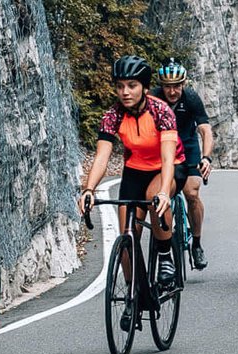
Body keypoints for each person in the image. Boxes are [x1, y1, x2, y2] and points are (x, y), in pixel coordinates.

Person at [75, 55, 184, 330]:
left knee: (153, 196)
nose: (125, 92)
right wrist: (89, 189)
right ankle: (133, 294)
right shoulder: (113, 116)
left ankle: (165, 255)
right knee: (126, 234)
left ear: (144, 87)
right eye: (120, 86)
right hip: (135, 170)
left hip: (167, 167)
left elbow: (169, 158)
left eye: (132, 85)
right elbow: (101, 157)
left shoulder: (161, 112)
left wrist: (164, 193)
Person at [151, 59, 215, 270]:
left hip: (187, 148)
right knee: (160, 194)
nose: (172, 91)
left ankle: (196, 244)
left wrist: (206, 157)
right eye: (168, 86)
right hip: (161, 148)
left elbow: (205, 129)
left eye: (177, 86)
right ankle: (164, 245)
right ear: (161, 85)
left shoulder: (191, 99)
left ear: (183, 84)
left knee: (192, 194)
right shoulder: (153, 98)